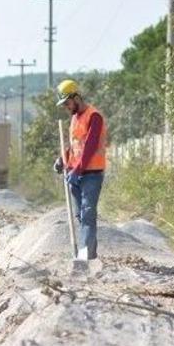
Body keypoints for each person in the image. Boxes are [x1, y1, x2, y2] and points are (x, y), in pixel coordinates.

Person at [53, 79, 107, 260]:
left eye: (67, 103)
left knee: (88, 214)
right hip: (75, 174)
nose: (66, 107)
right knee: (80, 216)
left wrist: (78, 169)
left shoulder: (94, 117)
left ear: (76, 97)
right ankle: (90, 255)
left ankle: (84, 257)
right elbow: (75, 145)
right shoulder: (75, 118)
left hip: (91, 174)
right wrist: (63, 159)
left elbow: (90, 146)